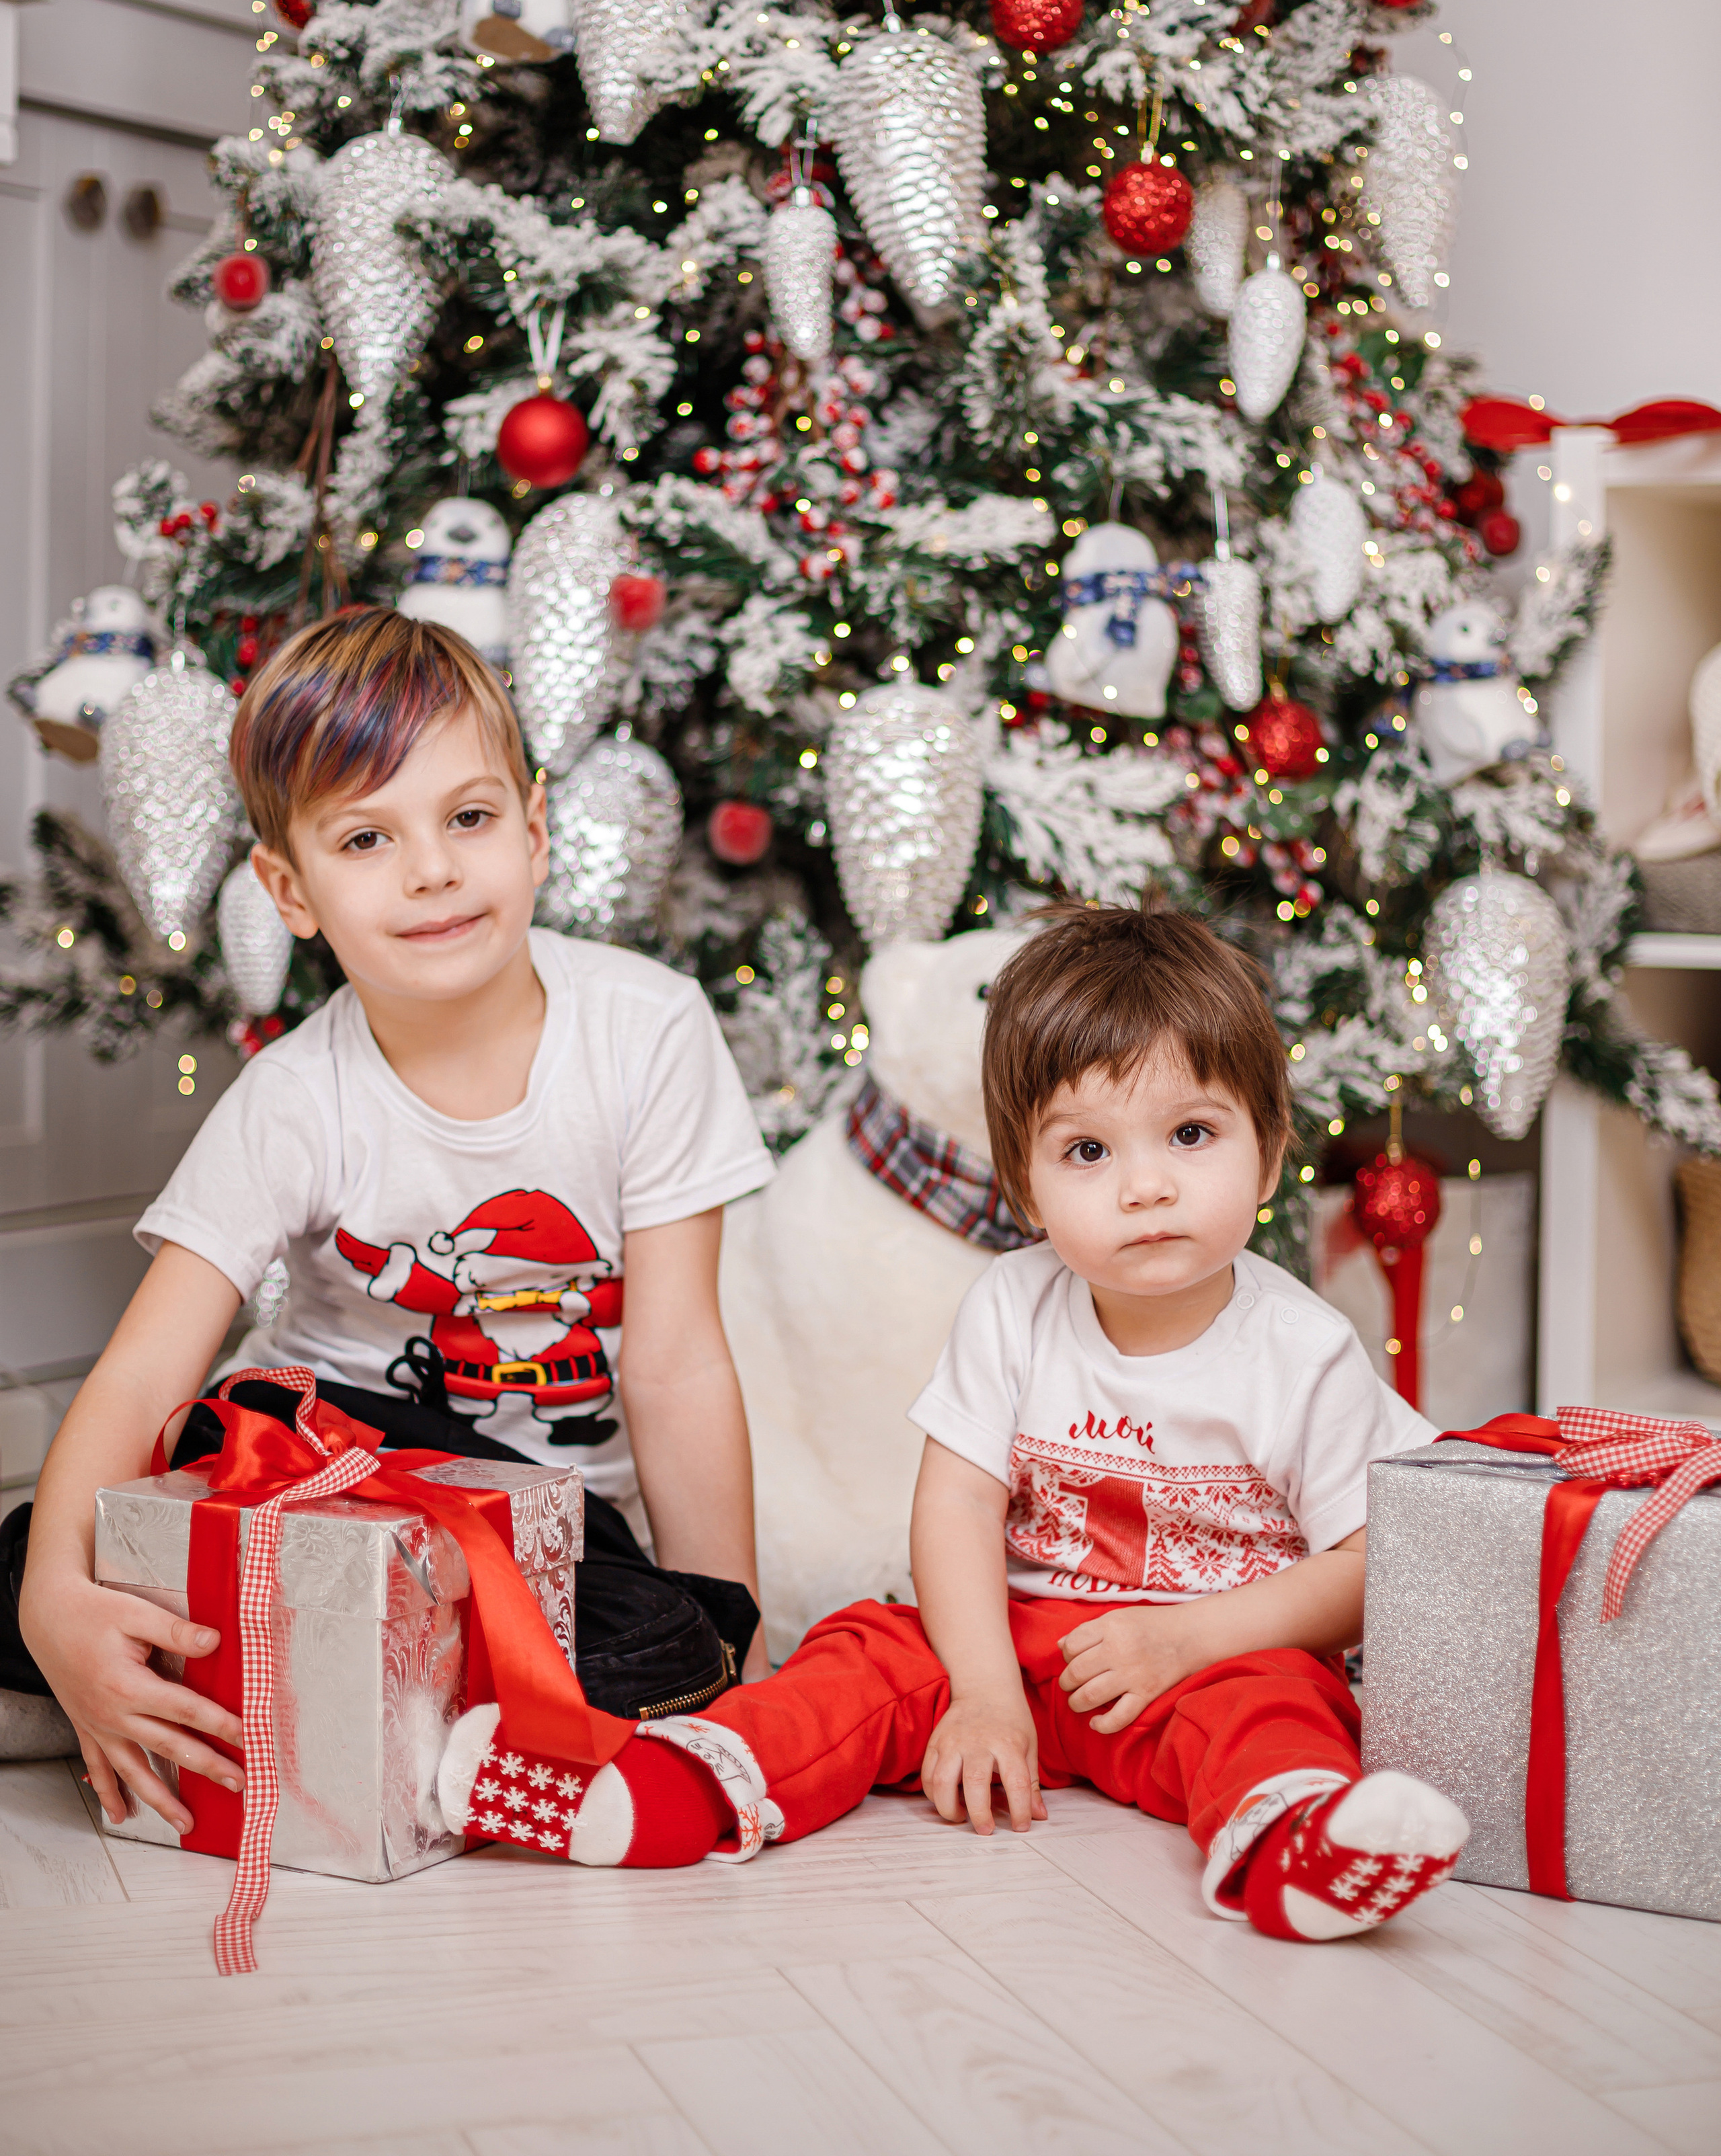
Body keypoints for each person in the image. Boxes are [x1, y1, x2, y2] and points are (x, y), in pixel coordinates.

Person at [437, 901, 1470, 1942]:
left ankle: (1299, 1848)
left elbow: (1372, 1563)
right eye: (1087, 1153)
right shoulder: (1012, 1307)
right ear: (1023, 1183)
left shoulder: (1304, 1349)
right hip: (1014, 1640)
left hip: (1207, 1652)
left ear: (1272, 1146)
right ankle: (656, 1789)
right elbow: (957, 1505)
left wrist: (1191, 1637)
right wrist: (980, 1693)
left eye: (1191, 1134)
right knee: (865, 1652)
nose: (1146, 1186)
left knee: (1280, 1701)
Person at [7, 607, 776, 1823]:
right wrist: (53, 1591)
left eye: (468, 819)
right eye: (366, 838)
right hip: (329, 1477)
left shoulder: (649, 1029)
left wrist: (731, 1646)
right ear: (290, 889)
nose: (431, 871)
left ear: (533, 829)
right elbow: (149, 1371)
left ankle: (343, 1693)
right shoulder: (296, 1098)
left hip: (553, 1525)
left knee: (664, 1640)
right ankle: (91, 1663)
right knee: (32, 1561)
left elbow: (677, 1363)